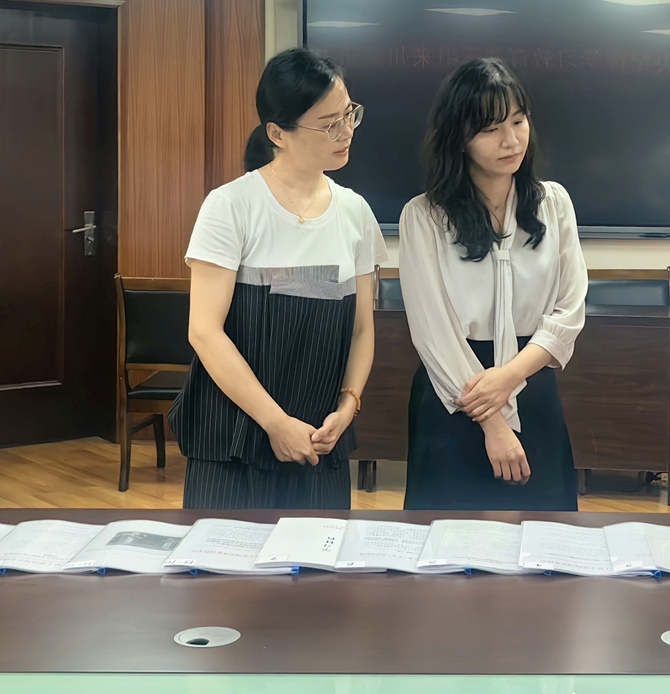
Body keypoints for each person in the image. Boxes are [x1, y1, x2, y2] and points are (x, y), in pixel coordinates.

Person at [176, 48, 386, 509]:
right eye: (328, 124)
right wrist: (275, 422)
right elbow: (205, 331)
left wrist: (348, 405)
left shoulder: (355, 212)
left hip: (320, 439)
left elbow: (361, 329)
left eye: (348, 114)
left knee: (318, 556)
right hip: (235, 438)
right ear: (277, 133)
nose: (346, 131)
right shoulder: (230, 206)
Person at [400, 58, 588, 510]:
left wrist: (509, 377)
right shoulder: (424, 216)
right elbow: (434, 332)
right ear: (458, 138)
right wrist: (493, 422)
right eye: (490, 129)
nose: (511, 140)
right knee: (448, 542)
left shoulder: (554, 203)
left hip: (530, 382)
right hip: (455, 395)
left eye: (518, 122)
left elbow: (569, 310)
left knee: (543, 538)